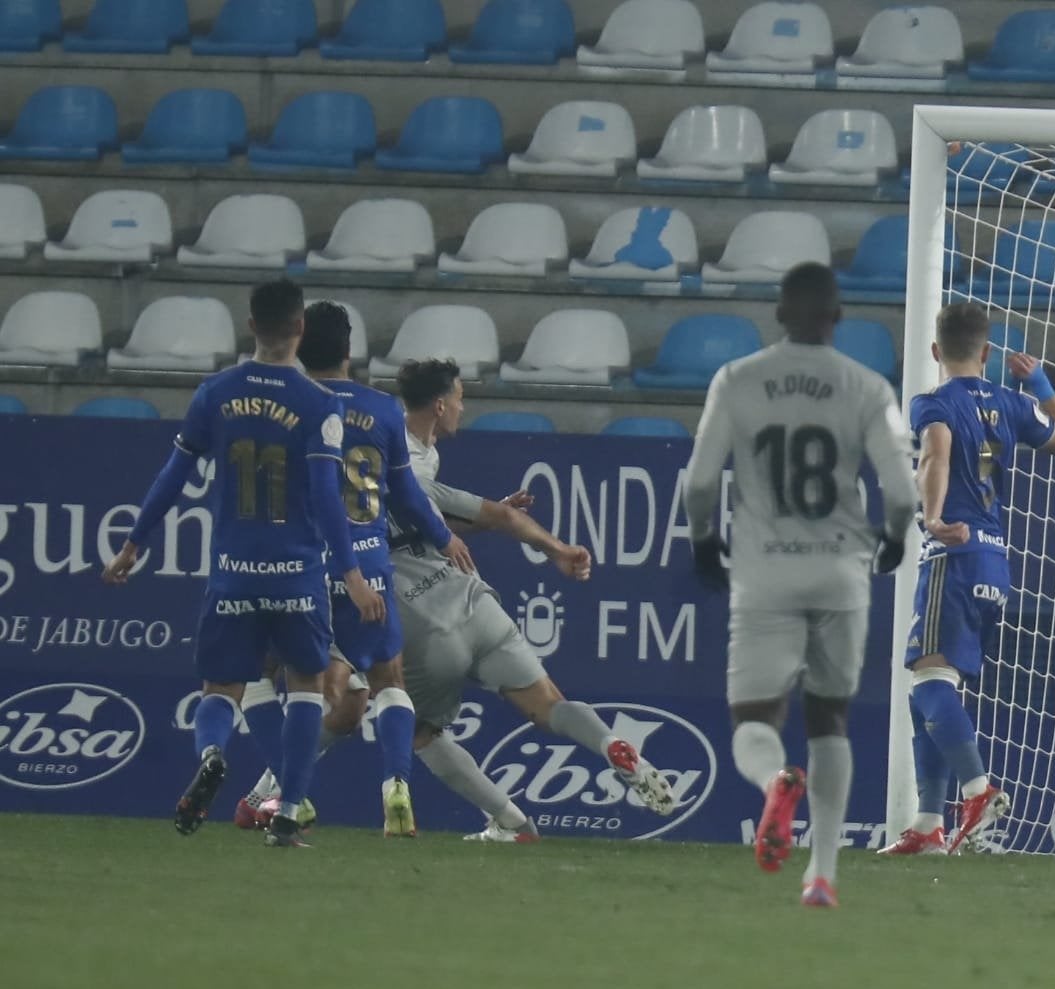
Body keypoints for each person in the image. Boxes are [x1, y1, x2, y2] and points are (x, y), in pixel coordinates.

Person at [103, 279, 382, 848]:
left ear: (251, 324)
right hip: (298, 573)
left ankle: (211, 753)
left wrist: (135, 540)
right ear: (300, 329)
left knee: (221, 686)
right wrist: (352, 575)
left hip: (233, 569)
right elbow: (329, 501)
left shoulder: (215, 393)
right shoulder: (321, 404)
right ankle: (287, 815)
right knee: (306, 685)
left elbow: (173, 475)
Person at [682, 263, 918, 908]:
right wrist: (894, 537)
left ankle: (773, 782)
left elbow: (700, 482)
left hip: (764, 572)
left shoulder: (738, 379)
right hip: (841, 570)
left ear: (779, 314)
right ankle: (822, 874)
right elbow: (902, 491)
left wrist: (704, 540)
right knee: (829, 717)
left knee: (753, 719)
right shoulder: (866, 386)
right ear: (837, 318)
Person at [381, 359, 678, 840]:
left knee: (421, 733)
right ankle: (611, 746)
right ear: (439, 405)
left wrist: (486, 517)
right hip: (474, 602)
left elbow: (424, 524)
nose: (463, 404)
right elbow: (492, 517)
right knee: (549, 703)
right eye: (458, 395)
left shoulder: (397, 456)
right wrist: (558, 550)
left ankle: (511, 821)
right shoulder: (408, 463)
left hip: (425, 623)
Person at [232, 303, 474, 837]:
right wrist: (443, 536)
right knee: (389, 681)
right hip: (368, 563)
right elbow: (406, 494)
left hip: (296, 564)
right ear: (349, 352)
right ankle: (396, 787)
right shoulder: (382, 409)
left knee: (261, 675)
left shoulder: (278, 407)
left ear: (297, 343)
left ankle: (284, 790)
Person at [878, 303, 1055, 856]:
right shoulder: (1013, 404)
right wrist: (1039, 383)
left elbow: (935, 454)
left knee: (928, 682)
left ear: (936, 352)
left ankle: (976, 788)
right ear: (987, 352)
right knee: (932, 684)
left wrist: (933, 518)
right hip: (996, 562)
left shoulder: (933, 402)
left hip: (955, 554)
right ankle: (926, 824)